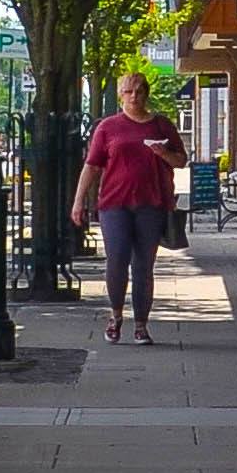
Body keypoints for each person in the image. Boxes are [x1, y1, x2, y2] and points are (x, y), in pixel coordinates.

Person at [71, 72, 187, 345]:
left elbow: (181, 161)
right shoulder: (108, 127)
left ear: (146, 93)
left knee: (144, 266)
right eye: (129, 91)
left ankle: (141, 324)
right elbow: (92, 165)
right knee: (117, 260)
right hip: (114, 203)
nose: (134, 96)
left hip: (152, 203)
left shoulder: (161, 125)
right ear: (121, 95)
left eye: (139, 91)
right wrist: (78, 201)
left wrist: (163, 154)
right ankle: (115, 316)